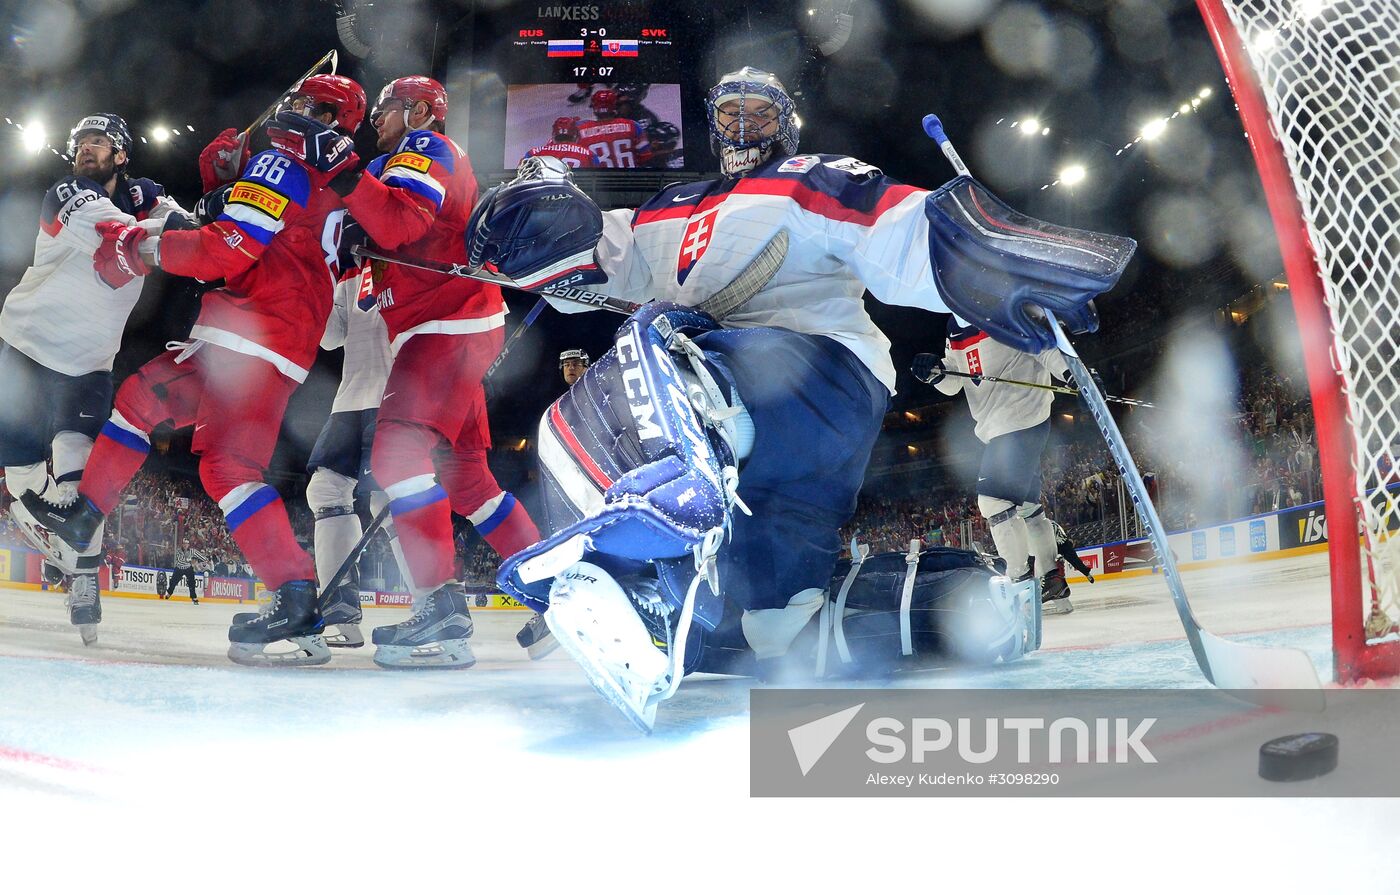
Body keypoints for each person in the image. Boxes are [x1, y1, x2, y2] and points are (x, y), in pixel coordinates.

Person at [470, 66, 1124, 728]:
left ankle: (644, 550)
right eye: (730, 113)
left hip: (812, 378)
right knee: (777, 628)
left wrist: (990, 260)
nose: (744, 127)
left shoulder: (804, 176)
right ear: (710, 122)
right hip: (779, 455)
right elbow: (596, 262)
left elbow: (892, 226)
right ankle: (666, 618)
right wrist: (543, 223)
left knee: (659, 370)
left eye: (760, 113)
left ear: (787, 125)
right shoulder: (666, 207)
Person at [21, 74, 368, 667]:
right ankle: (85, 520)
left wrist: (142, 248)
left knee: (226, 466)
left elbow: (225, 249)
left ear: (320, 115)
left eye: (301, 104)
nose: (287, 110)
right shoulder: (326, 181)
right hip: (266, 335)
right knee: (140, 398)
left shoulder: (286, 165)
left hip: (252, 333)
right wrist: (218, 180)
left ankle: (295, 598)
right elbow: (262, 234)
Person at [303, 75, 542, 669]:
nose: (377, 120)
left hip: (447, 323)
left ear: (417, 111)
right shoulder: (396, 160)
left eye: (385, 110)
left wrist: (347, 177)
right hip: (448, 323)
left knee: (394, 457)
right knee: (467, 478)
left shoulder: (425, 148)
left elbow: (404, 223)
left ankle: (442, 609)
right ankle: (556, 592)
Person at [2, 112, 186, 646]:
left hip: (87, 365)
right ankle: (63, 552)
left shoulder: (142, 198)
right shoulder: (66, 193)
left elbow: (195, 236)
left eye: (100, 142)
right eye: (81, 141)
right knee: (20, 482)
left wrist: (197, 215)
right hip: (23, 349)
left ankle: (84, 578)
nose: (87, 149)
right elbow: (118, 241)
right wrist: (166, 222)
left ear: (121, 154)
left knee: (78, 479)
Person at [912, 325, 1074, 614]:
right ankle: (1053, 581)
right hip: (999, 425)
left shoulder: (999, 307)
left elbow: (1041, 345)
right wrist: (935, 371)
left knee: (992, 502)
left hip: (1020, 417)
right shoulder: (953, 326)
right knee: (1028, 507)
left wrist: (1069, 370)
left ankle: (1020, 585)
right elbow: (955, 380)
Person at [575, 89, 649, 169]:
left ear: (594, 109)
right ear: (615, 106)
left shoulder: (580, 131)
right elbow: (646, 156)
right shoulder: (633, 125)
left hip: (601, 180)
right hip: (631, 179)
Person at [524, 118, 600, 169]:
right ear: (575, 135)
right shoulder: (589, 154)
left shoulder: (533, 153)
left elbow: (519, 175)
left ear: (554, 134)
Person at [170, 537, 207, 604]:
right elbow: (180, 561)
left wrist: (205, 559)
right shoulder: (178, 551)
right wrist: (189, 561)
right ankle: (169, 593)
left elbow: (200, 556)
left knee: (192, 583)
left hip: (188, 568)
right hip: (179, 568)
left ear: (188, 544)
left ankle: (194, 597)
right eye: (184, 543)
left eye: (186, 544)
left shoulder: (192, 551)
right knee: (173, 581)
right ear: (182, 544)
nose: (185, 545)